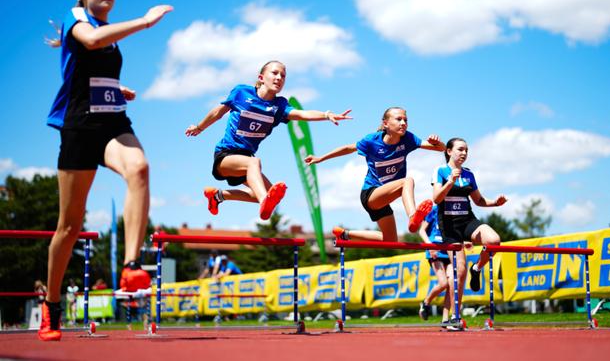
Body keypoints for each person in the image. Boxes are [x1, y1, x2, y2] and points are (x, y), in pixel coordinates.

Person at [40, 0, 172, 341]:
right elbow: (90, 42)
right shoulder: (77, 19)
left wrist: (117, 88)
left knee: (140, 169)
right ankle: (51, 306)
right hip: (80, 127)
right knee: (69, 225)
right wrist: (145, 22)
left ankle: (131, 265)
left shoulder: (110, 36)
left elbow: (95, 66)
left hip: (112, 123)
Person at [185, 61, 351, 220]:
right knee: (255, 166)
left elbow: (302, 114)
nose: (279, 78)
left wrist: (325, 115)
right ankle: (264, 200)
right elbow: (218, 112)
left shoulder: (279, 106)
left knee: (271, 194)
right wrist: (199, 127)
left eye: (283, 76)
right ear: (261, 77)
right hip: (226, 155)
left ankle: (218, 196)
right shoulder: (242, 92)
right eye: (275, 73)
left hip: (245, 161)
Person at [305, 107, 444, 241]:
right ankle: (413, 215)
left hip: (384, 198)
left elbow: (442, 149)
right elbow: (347, 148)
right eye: (399, 119)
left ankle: (345, 234)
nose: (403, 123)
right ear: (386, 123)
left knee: (391, 240)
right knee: (408, 181)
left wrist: (438, 142)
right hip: (371, 193)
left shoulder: (408, 139)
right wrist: (321, 158)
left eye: (405, 120)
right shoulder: (372, 141)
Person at [432, 137, 507, 294]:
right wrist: (450, 181)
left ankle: (477, 268)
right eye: (460, 149)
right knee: (460, 269)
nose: (464, 153)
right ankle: (455, 315)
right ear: (449, 151)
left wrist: (495, 202)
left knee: (494, 241)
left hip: (467, 220)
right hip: (449, 225)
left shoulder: (469, 174)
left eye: (466, 150)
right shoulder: (440, 171)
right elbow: (437, 198)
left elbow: (478, 200)